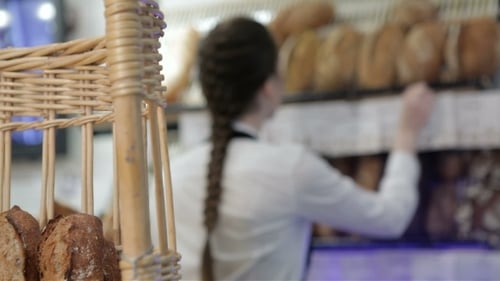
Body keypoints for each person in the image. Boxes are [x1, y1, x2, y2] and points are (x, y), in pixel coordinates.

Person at [169, 17, 435, 281]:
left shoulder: (171, 175)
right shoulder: (290, 169)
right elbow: (389, 218)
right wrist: (407, 134)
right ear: (269, 87)